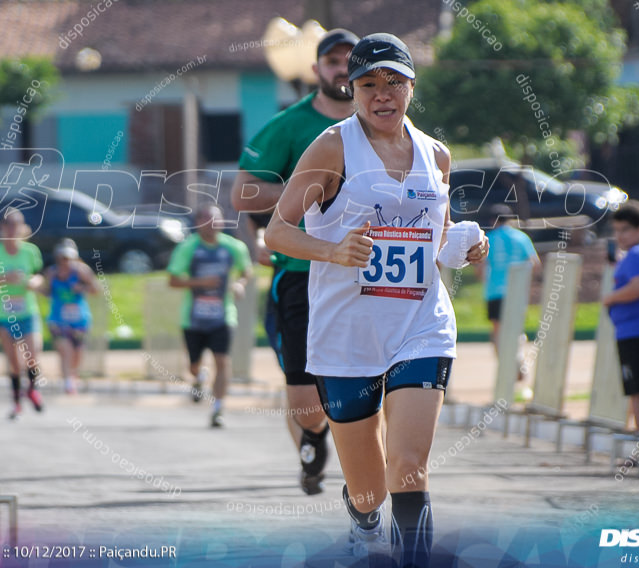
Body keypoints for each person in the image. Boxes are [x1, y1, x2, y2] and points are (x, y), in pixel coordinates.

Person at [265, 33, 488, 565]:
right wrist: (333, 250)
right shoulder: (333, 146)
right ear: (352, 88)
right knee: (370, 489)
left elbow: (439, 235)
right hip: (348, 333)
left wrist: (467, 246)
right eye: (368, 84)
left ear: (411, 85)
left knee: (408, 464)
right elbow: (276, 232)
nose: (381, 95)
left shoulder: (436, 153)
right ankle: (363, 519)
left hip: (420, 324)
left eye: (393, 82)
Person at [230, 28, 359, 494]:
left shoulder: (383, 123)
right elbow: (242, 193)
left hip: (369, 276)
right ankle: (311, 439)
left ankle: (364, 469)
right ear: (316, 69)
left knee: (369, 380)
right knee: (307, 400)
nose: (342, 68)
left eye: (350, 59)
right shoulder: (291, 125)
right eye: (333, 61)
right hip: (303, 275)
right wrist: (307, 192)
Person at [167, 204, 252, 428]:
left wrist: (239, 284)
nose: (212, 224)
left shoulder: (234, 247)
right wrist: (201, 282)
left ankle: (218, 408)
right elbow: (173, 280)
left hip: (223, 315)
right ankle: (199, 376)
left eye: (216, 219)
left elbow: (246, 271)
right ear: (198, 223)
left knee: (222, 361)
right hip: (193, 317)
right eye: (206, 220)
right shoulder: (188, 247)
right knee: (193, 365)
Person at [602, 201, 639, 465]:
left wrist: (610, 299)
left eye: (625, 230)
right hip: (632, 330)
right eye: (616, 230)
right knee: (638, 390)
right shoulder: (638, 253)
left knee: (638, 392)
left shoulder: (637, 254)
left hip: (635, 331)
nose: (619, 236)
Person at [0, 208, 46, 419]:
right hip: (3, 313)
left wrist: (35, 282)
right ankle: (16, 401)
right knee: (14, 362)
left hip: (27, 311)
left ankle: (32, 390)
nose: (12, 229)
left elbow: (39, 276)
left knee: (33, 356)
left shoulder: (30, 251)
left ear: (23, 228)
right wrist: (5, 278)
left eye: (16, 224)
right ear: (1, 228)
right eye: (8, 224)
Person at [479, 203, 540, 381]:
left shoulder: (489, 239)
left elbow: (481, 268)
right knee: (516, 328)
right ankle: (519, 361)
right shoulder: (521, 238)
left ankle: (505, 366)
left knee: (497, 331)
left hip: (495, 291)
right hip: (517, 292)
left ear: (492, 220)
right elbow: (535, 263)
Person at [42, 238, 99, 394]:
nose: (65, 261)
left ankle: (72, 374)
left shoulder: (82, 271)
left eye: (68, 258)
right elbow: (46, 291)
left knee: (77, 353)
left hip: (80, 319)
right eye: (62, 258)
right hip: (58, 319)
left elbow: (96, 290)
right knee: (65, 348)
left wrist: (81, 287)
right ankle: (68, 381)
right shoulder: (52, 273)